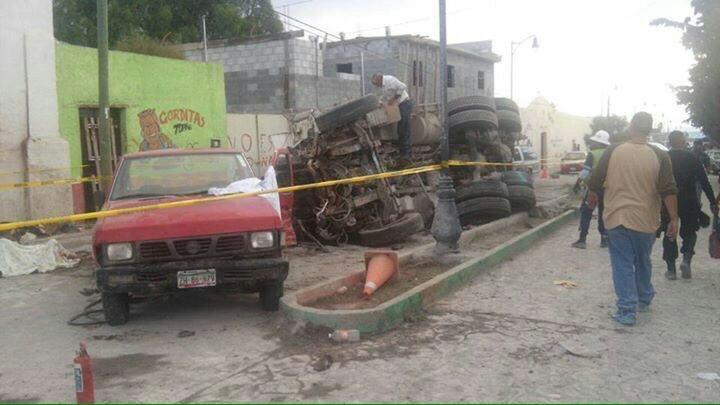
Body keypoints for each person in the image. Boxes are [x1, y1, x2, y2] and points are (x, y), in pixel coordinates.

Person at [587, 112, 678, 326]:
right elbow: (668, 190)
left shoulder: (613, 151)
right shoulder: (660, 155)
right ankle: (644, 298)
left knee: (622, 263)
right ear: (650, 129)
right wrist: (674, 218)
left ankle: (627, 310)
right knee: (643, 259)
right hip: (646, 220)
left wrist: (591, 201)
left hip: (617, 217)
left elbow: (594, 182)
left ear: (631, 127)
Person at [660, 131, 718, 280]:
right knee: (689, 232)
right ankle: (686, 259)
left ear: (670, 142)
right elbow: (704, 181)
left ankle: (671, 270)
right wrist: (713, 201)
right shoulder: (692, 157)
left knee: (669, 232)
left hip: (668, 200)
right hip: (690, 200)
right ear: (683, 141)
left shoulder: (664, 157)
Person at [571, 130, 611, 249]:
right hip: (606, 188)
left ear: (599, 143)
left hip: (593, 188)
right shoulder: (609, 154)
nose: (592, 144)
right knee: (603, 213)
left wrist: (577, 183)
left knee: (586, 212)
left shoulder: (592, 154)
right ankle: (604, 239)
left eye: (594, 142)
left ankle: (582, 239)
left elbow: (585, 172)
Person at [372, 73, 412, 161]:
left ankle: (407, 153)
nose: (376, 86)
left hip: (404, 103)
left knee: (404, 128)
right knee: (399, 129)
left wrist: (394, 99)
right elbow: (386, 96)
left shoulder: (390, 80)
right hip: (397, 105)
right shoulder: (383, 86)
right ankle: (402, 152)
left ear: (379, 79)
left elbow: (402, 87)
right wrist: (380, 102)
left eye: (376, 84)